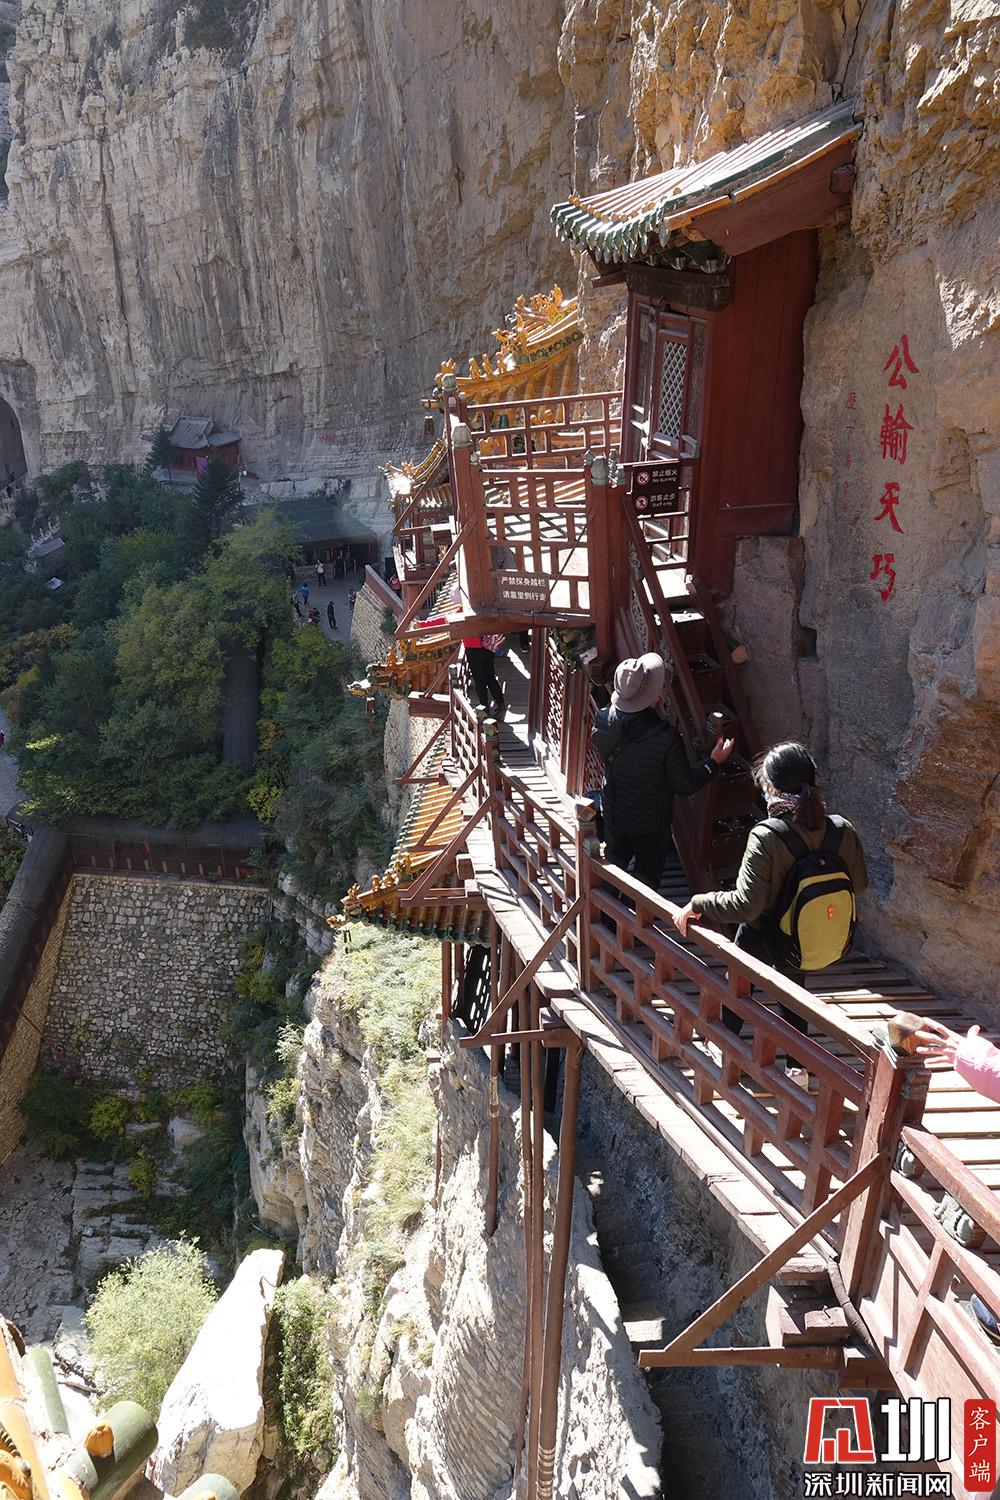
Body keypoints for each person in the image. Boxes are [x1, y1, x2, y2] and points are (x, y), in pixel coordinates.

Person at [673, 742, 867, 1081]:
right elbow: (858, 885)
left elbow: (746, 906)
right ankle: (798, 1068)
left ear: (772, 789)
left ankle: (721, 1044)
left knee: (741, 971)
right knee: (794, 989)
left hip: (767, 932)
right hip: (809, 936)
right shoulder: (841, 829)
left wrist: (699, 903)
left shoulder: (767, 835)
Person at [592, 653, 734, 892]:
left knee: (614, 864)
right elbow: (685, 785)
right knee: (646, 877)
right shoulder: (666, 738)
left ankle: (603, 912)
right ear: (655, 696)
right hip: (649, 823)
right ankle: (633, 913)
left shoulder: (602, 719)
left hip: (614, 811)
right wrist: (713, 762)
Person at [462, 630, 505, 718]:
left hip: (472, 645)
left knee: (479, 679)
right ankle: (500, 704)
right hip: (487, 644)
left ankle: (484, 707)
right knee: (490, 677)